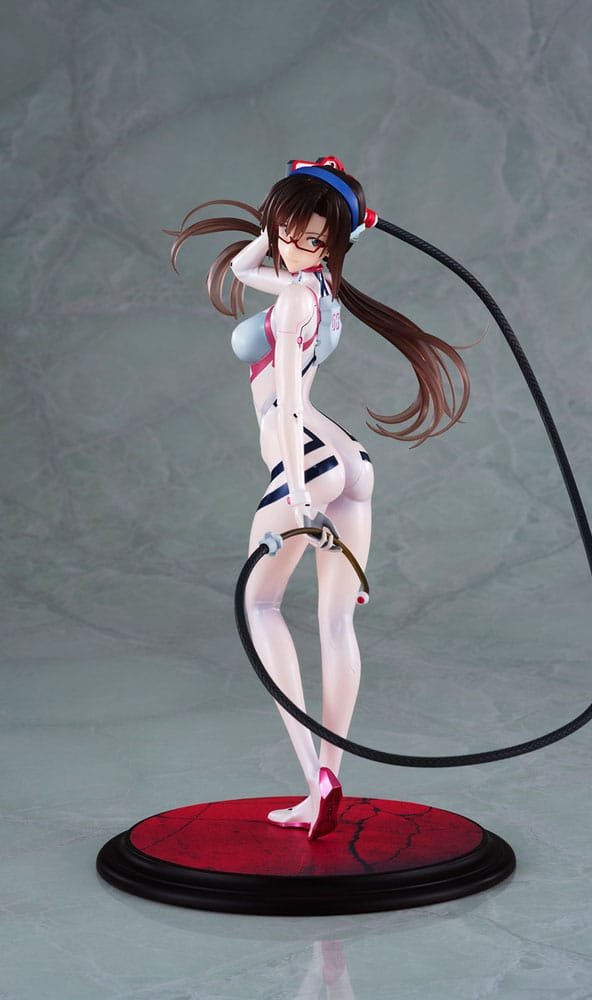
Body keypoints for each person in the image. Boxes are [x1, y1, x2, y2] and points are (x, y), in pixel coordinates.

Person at [168, 157, 470, 839]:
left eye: (309, 238)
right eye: (284, 229)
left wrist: (301, 497)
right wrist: (291, 222)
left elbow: (285, 395)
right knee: (336, 625)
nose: (290, 243)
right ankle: (326, 783)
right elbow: (245, 266)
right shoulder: (319, 285)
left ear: (331, 244)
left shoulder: (297, 300)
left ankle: (315, 777)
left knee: (260, 605)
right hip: (351, 462)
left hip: (307, 459)